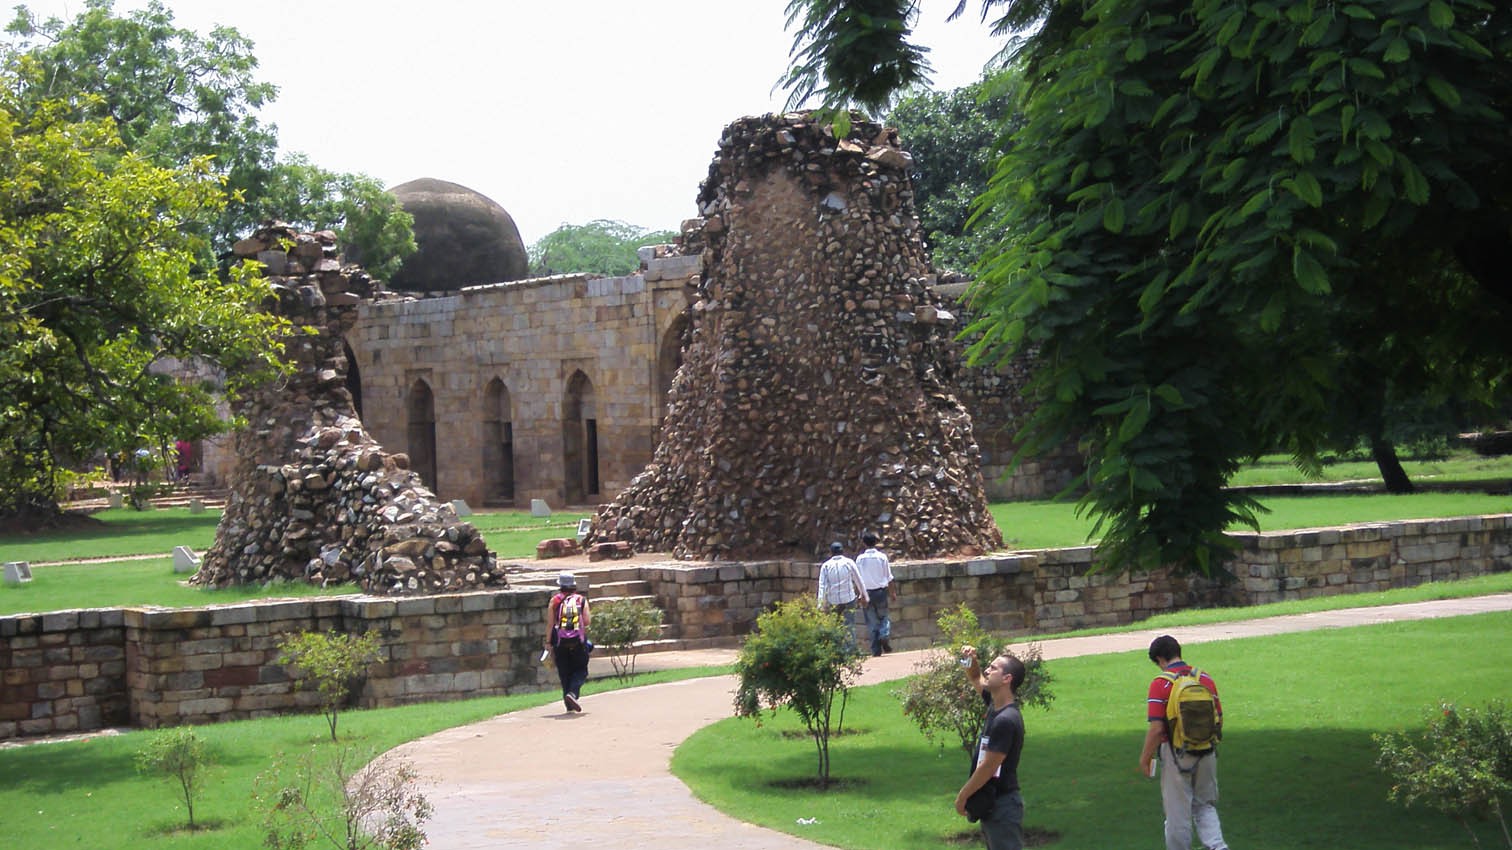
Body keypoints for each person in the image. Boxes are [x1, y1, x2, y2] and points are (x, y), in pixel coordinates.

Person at [1139, 635, 1229, 850]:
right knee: (1204, 805)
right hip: (1207, 751)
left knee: (1177, 813)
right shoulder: (1204, 678)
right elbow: (1219, 719)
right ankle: (1218, 846)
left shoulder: (1161, 684)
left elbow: (1157, 728)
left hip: (1176, 753)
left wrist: (1145, 758)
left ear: (1160, 659)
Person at [955, 646, 1027, 850]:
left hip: (1002, 806)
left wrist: (962, 797)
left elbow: (988, 767)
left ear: (1007, 679)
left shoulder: (1006, 720)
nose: (987, 670)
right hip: (992, 804)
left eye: (993, 668)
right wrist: (968, 659)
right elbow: (975, 677)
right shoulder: (994, 706)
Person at [545, 572, 591, 713]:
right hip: (578, 642)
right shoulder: (581, 600)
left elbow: (550, 624)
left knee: (565, 672)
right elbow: (587, 621)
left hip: (560, 642)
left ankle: (568, 704)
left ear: (560, 585)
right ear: (573, 586)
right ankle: (572, 694)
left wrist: (548, 642)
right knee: (581, 670)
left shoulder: (555, 601)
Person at [816, 541, 866, 650]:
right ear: (842, 551)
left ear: (831, 552)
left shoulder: (826, 566)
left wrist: (820, 604)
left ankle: (838, 651)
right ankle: (851, 651)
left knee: (835, 626)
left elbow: (822, 586)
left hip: (833, 601)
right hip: (849, 598)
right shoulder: (849, 562)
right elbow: (859, 580)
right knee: (849, 625)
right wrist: (864, 595)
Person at [854, 533, 896, 656]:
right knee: (884, 617)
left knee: (871, 622)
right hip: (881, 592)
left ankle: (875, 651)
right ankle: (884, 634)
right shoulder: (882, 557)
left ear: (864, 543)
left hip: (866, 593)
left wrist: (859, 595)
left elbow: (857, 579)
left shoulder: (860, 559)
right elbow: (889, 577)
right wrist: (892, 593)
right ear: (875, 542)